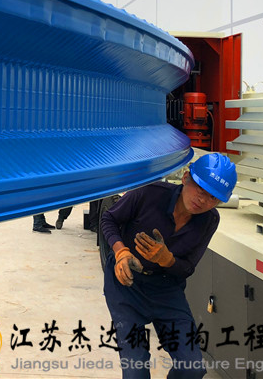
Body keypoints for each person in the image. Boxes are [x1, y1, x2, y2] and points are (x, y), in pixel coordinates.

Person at [100, 153, 237, 379]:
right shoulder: (149, 193)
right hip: (127, 286)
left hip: (166, 289)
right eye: (201, 189)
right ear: (186, 178)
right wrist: (121, 251)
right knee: (136, 370)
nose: (203, 200)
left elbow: (188, 267)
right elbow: (109, 219)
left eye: (213, 197)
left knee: (192, 368)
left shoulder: (209, 220)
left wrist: (167, 260)